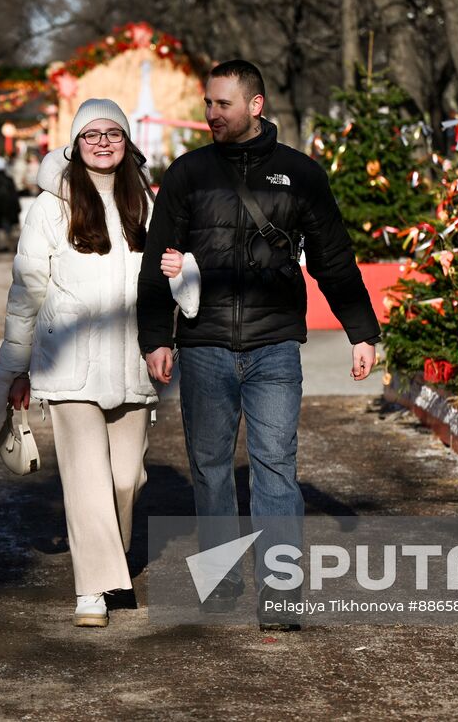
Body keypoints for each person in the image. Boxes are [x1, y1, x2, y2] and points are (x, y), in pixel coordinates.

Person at [136, 59, 380, 631]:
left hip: (274, 347)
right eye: (207, 103)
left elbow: (333, 260)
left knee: (276, 467)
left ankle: (280, 595)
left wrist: (362, 331)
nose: (211, 113)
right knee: (212, 468)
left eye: (222, 103)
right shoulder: (186, 175)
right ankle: (221, 584)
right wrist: (155, 336)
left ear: (255, 106)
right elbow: (157, 264)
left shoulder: (300, 174)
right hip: (203, 346)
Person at [0, 98, 198, 628]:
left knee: (126, 480)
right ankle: (92, 591)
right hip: (67, 363)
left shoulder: (147, 203)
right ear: (75, 144)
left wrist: (183, 271)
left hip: (132, 363)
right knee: (86, 478)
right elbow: (26, 293)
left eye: (113, 133)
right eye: (91, 134)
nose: (102, 142)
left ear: (126, 143)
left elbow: (174, 274)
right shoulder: (51, 207)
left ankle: (110, 562)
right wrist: (16, 367)